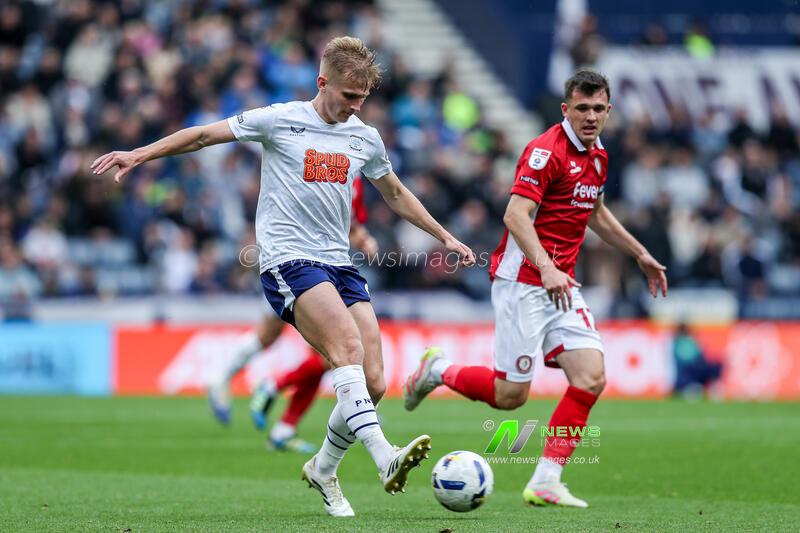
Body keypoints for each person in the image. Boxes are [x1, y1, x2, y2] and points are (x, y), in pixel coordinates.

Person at [91, 36, 475, 517]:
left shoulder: (363, 136)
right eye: (348, 96)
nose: (355, 107)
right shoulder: (280, 119)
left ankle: (323, 467)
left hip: (339, 263)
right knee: (347, 351)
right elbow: (205, 135)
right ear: (322, 82)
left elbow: (395, 193)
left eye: (363, 99)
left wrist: (445, 237)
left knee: (374, 381)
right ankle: (385, 457)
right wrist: (140, 154)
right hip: (288, 260)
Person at [403, 70, 667, 508]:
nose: (591, 116)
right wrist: (545, 267)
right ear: (566, 109)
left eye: (599, 109)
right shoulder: (546, 152)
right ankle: (438, 370)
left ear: (608, 112)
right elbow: (515, 216)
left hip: (560, 283)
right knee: (510, 397)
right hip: (523, 282)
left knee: (590, 377)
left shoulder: (599, 154)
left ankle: (546, 480)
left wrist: (638, 253)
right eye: (582, 108)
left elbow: (594, 211)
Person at [207, 177, 379, 457]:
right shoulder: (315, 159)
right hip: (295, 269)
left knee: (321, 353)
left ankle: (282, 424)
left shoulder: (352, 174)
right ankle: (271, 389)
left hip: (324, 271)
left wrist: (364, 239)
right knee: (325, 352)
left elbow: (350, 226)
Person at [672, 322, 722, 397]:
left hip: (697, 368)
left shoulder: (692, 341)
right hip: (687, 371)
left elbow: (701, 356)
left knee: (716, 365)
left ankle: (713, 387)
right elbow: (686, 359)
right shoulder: (676, 342)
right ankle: (691, 388)